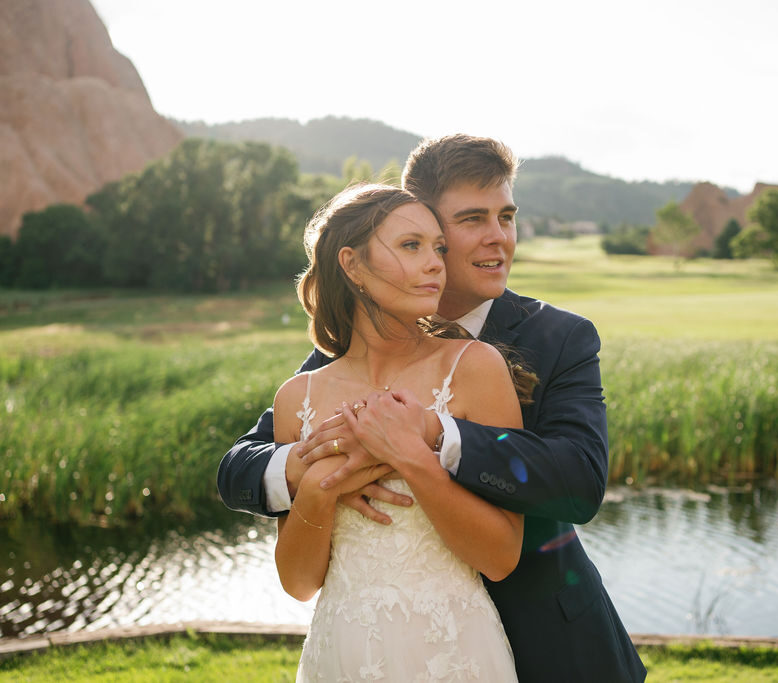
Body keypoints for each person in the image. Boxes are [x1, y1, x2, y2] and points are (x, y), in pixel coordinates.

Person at [218, 135, 647, 682]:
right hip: (363, 644)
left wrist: (432, 434)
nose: (499, 238)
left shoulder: (558, 336)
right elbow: (240, 466)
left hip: (548, 641)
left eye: (507, 216)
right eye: (472, 220)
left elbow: (580, 481)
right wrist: (311, 468)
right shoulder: (335, 362)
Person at [272, 183, 522, 680]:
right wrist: (327, 488)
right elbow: (299, 583)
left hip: (453, 653)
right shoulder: (296, 398)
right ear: (353, 265)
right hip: (342, 650)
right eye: (412, 246)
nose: (436, 264)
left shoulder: (475, 368)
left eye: (439, 248)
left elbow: (500, 557)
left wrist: (411, 456)